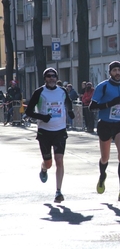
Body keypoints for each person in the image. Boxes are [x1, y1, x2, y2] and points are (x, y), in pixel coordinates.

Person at [89, 61, 120, 202]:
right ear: (110, 72)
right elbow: (91, 107)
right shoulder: (103, 86)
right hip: (105, 124)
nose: (117, 73)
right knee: (105, 158)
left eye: (119, 70)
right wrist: (110, 104)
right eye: (114, 70)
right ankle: (102, 175)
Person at [25, 67, 75, 203]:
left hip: (60, 130)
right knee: (49, 163)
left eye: (54, 76)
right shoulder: (39, 92)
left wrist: (70, 112)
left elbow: (68, 103)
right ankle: (43, 168)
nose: (51, 78)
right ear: (45, 79)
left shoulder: (62, 91)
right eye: (48, 76)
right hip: (44, 132)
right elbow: (28, 111)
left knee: (60, 161)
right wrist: (42, 116)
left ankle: (58, 191)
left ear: (56, 78)